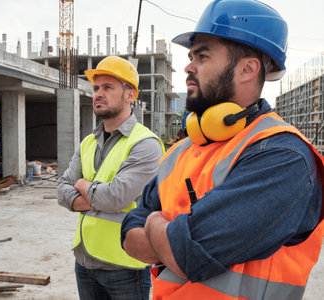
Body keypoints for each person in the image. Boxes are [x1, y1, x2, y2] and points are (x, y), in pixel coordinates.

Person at [121, 0, 324, 299]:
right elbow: (128, 234)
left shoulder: (284, 156)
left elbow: (186, 253)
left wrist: (153, 222)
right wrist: (163, 233)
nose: (188, 66)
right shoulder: (182, 150)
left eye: (202, 56)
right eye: (191, 56)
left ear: (246, 69)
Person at [57, 55, 165, 300]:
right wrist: (97, 195)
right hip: (84, 260)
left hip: (124, 265)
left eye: (108, 87)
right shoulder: (88, 142)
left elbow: (116, 198)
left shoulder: (146, 144)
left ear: (131, 95)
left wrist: (82, 184)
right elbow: (61, 190)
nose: (98, 94)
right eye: (96, 88)